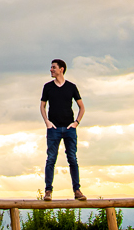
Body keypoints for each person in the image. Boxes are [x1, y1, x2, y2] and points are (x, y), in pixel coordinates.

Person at [40, 58, 85, 200]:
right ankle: (48, 191)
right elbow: (42, 106)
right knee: (51, 159)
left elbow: (82, 107)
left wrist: (76, 122)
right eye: (51, 67)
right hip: (53, 129)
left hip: (69, 128)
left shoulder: (71, 87)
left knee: (72, 159)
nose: (51, 70)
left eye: (53, 67)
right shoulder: (48, 87)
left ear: (61, 69)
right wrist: (47, 121)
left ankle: (77, 191)